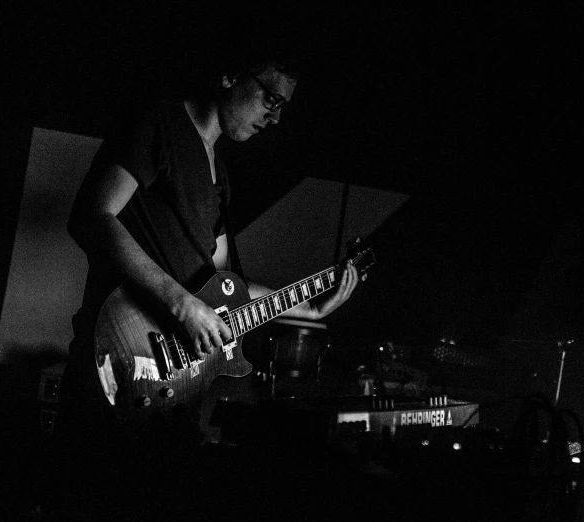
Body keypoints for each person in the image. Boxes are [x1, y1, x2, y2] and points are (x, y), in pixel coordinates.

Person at [52, 45, 359, 519]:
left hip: (174, 393)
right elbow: (92, 217)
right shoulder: (158, 122)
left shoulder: (220, 177)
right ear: (231, 73)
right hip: (114, 365)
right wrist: (180, 304)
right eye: (270, 99)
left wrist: (310, 307)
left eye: (282, 108)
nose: (274, 118)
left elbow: (223, 290)